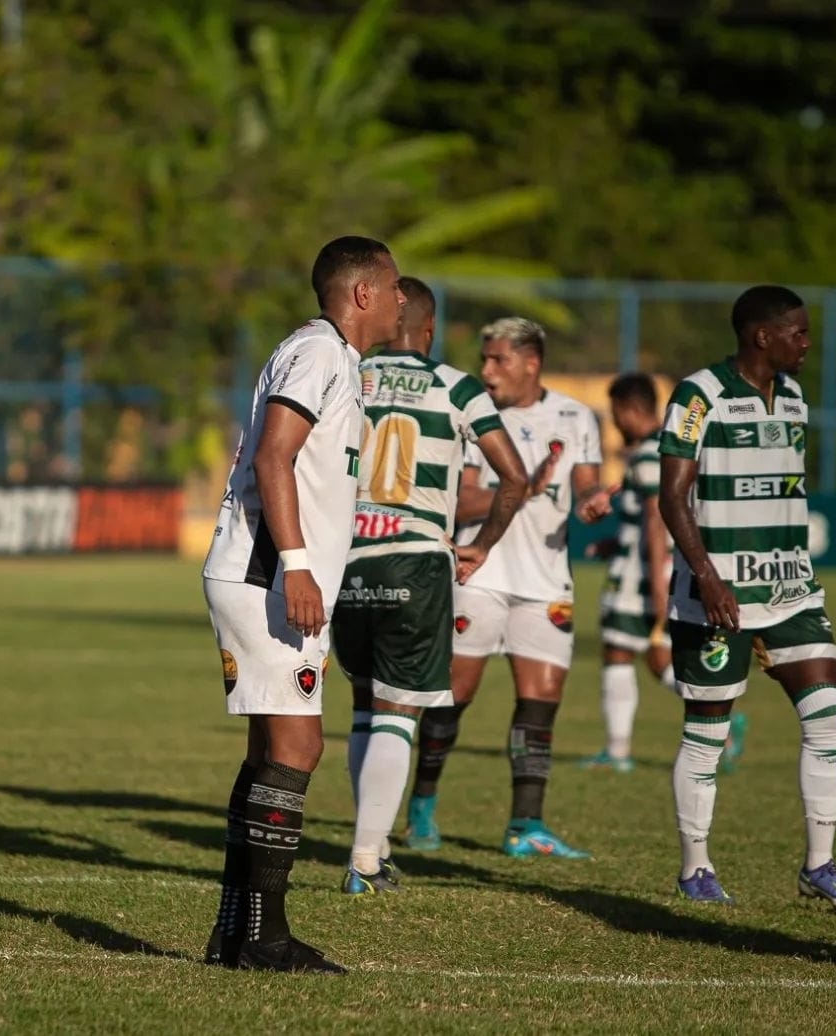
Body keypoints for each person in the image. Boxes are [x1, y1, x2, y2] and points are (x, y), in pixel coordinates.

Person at [200, 236, 406, 973]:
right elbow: (273, 455)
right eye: (393, 285)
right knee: (298, 748)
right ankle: (267, 938)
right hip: (267, 576)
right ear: (362, 294)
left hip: (269, 576)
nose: (402, 298)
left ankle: (236, 931)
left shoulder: (337, 359)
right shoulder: (318, 352)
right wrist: (296, 566)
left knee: (269, 751)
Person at [658, 284, 836, 909]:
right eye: (798, 332)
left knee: (826, 715)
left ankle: (819, 864)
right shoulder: (699, 395)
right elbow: (672, 496)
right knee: (707, 735)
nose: (807, 343)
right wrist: (707, 575)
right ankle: (695, 868)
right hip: (717, 595)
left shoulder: (795, 397)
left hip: (791, 588)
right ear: (762, 336)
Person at [332, 277, 527, 895]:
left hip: (348, 558)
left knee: (365, 707)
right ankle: (366, 861)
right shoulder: (457, 387)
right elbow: (514, 477)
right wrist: (482, 545)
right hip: (415, 559)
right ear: (430, 328)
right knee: (399, 713)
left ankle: (376, 845)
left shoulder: (349, 374)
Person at [405, 317, 613, 858]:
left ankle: (526, 826)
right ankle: (421, 805)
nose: (486, 369)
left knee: (539, 706)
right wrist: (521, 488)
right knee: (452, 698)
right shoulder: (472, 412)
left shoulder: (576, 417)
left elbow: (585, 488)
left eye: (497, 359)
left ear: (530, 363)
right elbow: (459, 501)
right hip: (479, 575)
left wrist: (592, 504)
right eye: (485, 358)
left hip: (545, 581)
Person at [578, 372, 679, 773]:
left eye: (616, 413)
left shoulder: (647, 455)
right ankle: (720, 721)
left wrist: (657, 585)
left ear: (631, 409)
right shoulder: (669, 448)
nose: (615, 422)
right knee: (656, 657)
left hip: (641, 578)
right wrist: (615, 542)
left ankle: (618, 752)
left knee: (621, 652)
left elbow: (656, 520)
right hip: (652, 568)